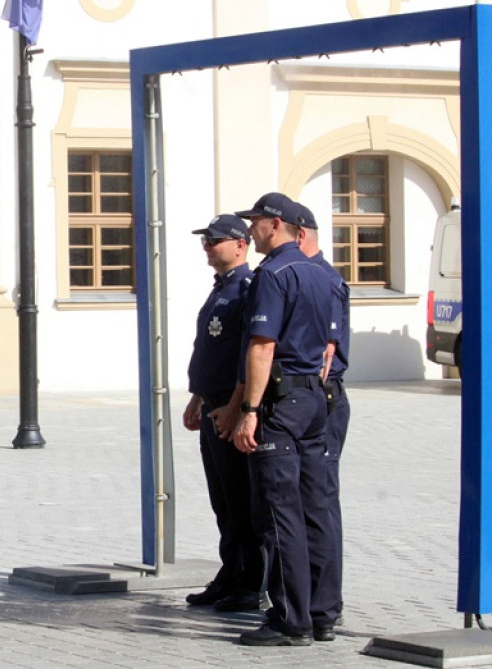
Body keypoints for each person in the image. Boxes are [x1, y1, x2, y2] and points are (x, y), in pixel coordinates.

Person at [231, 192, 333, 647]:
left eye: (254, 222)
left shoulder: (274, 273)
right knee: (315, 508)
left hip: (282, 398)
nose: (250, 230)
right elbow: (328, 348)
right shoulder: (319, 272)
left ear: (275, 224)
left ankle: (291, 620)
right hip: (313, 396)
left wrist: (249, 411)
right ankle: (321, 611)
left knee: (279, 511)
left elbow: (262, 346)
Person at [182, 214, 263, 612]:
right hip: (212, 403)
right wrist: (197, 396)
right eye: (205, 240)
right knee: (223, 500)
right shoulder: (221, 290)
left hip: (230, 408)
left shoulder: (247, 289)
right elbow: (209, 351)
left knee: (242, 499)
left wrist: (236, 407)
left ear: (240, 244)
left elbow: (247, 357)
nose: (208, 247)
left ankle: (252, 582)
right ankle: (231, 572)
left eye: (214, 240)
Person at [295, 202, 350, 642]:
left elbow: (327, 354)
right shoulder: (304, 273)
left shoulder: (322, 278)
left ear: (299, 234)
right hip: (310, 400)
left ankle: (325, 606)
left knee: (319, 501)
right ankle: (306, 597)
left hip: (322, 400)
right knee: (305, 500)